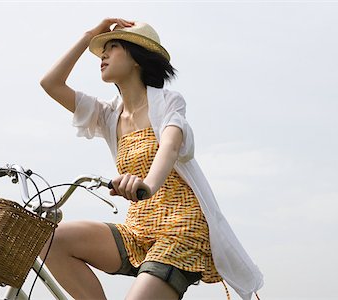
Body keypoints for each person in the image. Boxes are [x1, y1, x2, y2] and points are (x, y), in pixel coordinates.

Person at [39, 18, 263, 300]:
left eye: (113, 47)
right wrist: (88, 36)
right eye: (102, 50)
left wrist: (148, 185)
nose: (103, 55)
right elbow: (51, 83)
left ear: (137, 58)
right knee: (52, 241)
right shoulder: (108, 115)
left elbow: (170, 145)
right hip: (138, 228)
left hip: (181, 229)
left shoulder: (168, 102)